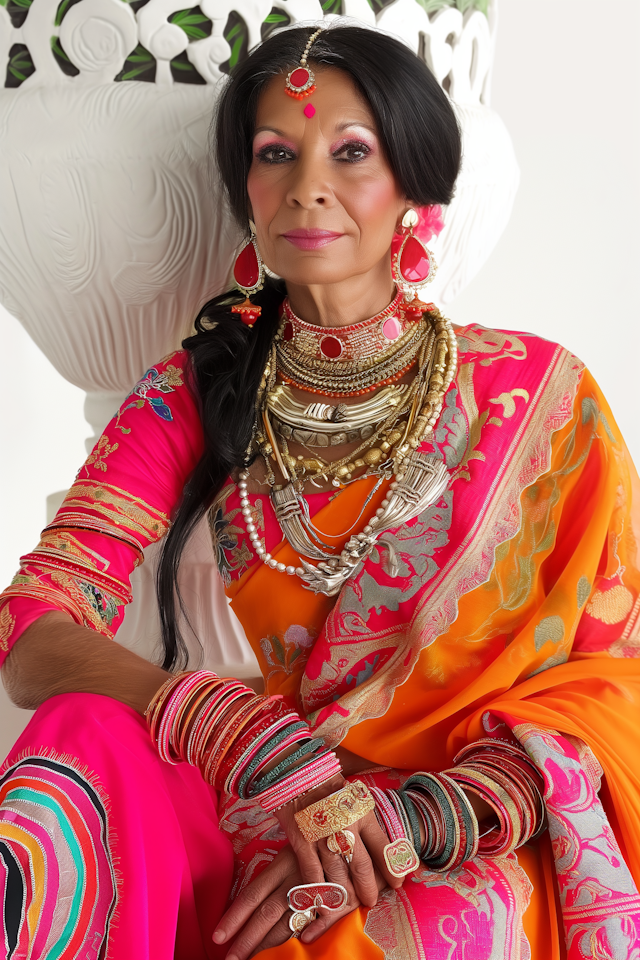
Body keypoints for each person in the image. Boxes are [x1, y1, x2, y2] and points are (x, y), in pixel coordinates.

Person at [1, 22, 640, 960]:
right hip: (276, 787)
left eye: (351, 153)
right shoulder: (196, 393)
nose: (307, 185)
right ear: (248, 192)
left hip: (466, 819)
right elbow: (30, 632)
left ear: (413, 186)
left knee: (379, 934)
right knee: (79, 739)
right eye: (275, 153)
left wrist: (423, 818)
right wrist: (233, 730)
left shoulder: (537, 398)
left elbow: (616, 675)